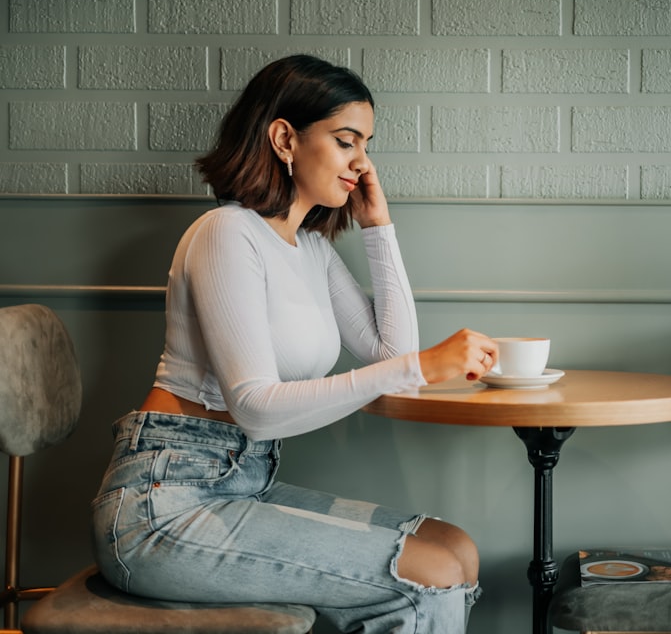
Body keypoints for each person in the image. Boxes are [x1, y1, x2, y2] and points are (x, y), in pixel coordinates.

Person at [90, 54, 497, 634]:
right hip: (163, 505)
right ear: (284, 137)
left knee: (454, 548)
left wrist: (379, 227)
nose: (362, 161)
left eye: (366, 144)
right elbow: (255, 407)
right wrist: (424, 366)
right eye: (345, 140)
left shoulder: (310, 249)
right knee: (428, 570)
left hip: (242, 484)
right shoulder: (226, 233)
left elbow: (390, 356)